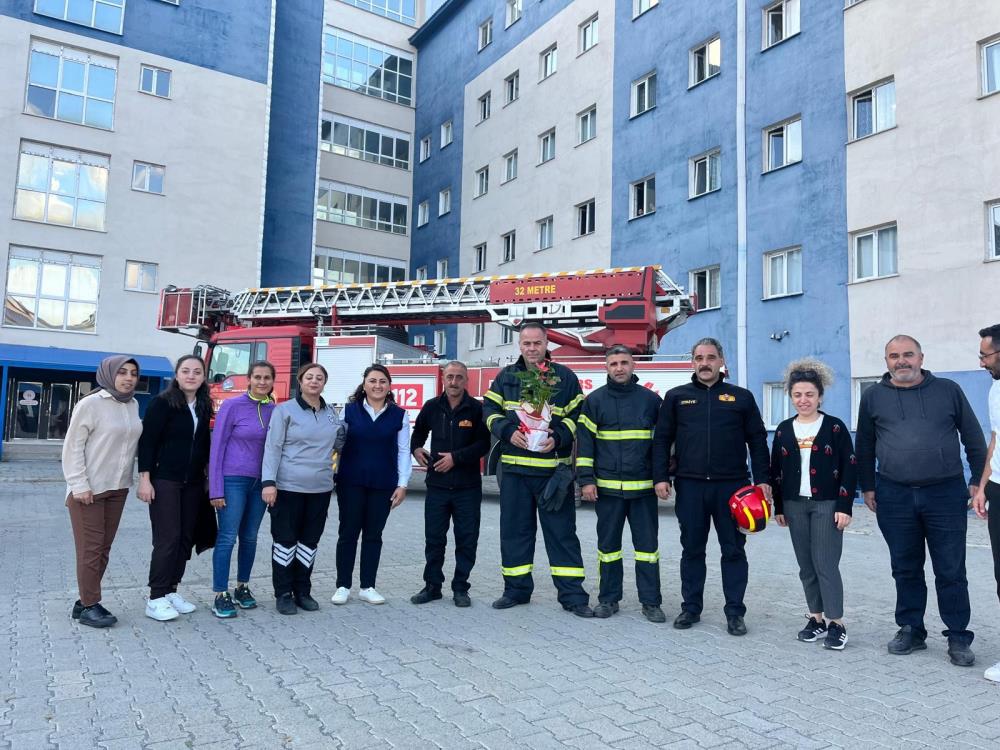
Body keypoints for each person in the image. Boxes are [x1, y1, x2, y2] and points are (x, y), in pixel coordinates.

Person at [857, 334, 986, 667]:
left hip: (944, 493)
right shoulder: (872, 397)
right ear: (886, 361)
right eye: (894, 356)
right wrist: (867, 487)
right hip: (894, 495)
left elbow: (972, 435)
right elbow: (866, 446)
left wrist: (976, 479)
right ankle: (911, 629)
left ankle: (958, 636)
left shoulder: (948, 391)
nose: (902, 361)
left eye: (908, 354)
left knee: (951, 569)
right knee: (905, 568)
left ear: (921, 357)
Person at [652, 337, 770, 636]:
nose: (704, 363)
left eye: (711, 357)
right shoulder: (677, 397)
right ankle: (691, 608)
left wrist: (764, 480)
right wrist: (660, 477)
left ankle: (735, 613)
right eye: (699, 358)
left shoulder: (741, 398)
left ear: (721, 361)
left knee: (733, 551)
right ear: (692, 362)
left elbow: (757, 441)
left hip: (733, 489)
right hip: (690, 487)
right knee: (692, 550)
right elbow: (662, 440)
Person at [483, 322, 594, 617]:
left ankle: (573, 596)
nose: (532, 348)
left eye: (537, 343)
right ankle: (516, 590)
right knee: (515, 533)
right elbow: (489, 410)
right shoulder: (506, 377)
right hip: (516, 472)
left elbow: (578, 416)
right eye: (526, 343)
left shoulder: (566, 378)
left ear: (547, 344)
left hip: (552, 473)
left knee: (562, 535)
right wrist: (507, 431)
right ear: (519, 346)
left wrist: (558, 437)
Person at [769, 359, 857, 650]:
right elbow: (776, 471)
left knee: (826, 565)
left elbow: (849, 467)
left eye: (809, 394)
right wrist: (779, 507)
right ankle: (816, 619)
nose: (803, 400)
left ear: (820, 396)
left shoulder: (834, 428)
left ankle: (837, 623)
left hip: (827, 504)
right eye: (797, 395)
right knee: (806, 566)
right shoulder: (783, 430)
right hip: (795, 505)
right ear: (790, 397)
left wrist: (845, 506)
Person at [576, 345, 665, 622]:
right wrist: (586, 482)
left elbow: (661, 445)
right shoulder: (594, 401)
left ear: (633, 365)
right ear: (606, 367)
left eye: (624, 362)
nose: (619, 368)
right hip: (607, 490)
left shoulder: (651, 401)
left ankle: (651, 602)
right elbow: (585, 446)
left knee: (648, 550)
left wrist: (662, 478)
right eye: (613, 363)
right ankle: (608, 599)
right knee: (609, 549)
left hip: (643, 491)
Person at [62, 355, 143, 628]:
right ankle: (90, 605)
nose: (129, 378)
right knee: (90, 550)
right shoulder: (91, 404)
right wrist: (79, 485)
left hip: (118, 488)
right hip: (90, 490)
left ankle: (84, 601)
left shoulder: (133, 404)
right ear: (109, 374)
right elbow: (72, 447)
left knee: (103, 550)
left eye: (133, 373)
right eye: (122, 372)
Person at [262, 362, 346, 615]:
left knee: (309, 542)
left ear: (324, 383)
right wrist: (269, 482)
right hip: (287, 487)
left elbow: (339, 443)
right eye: (309, 377)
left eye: (319, 378)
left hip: (319, 489)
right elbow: (272, 447)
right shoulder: (284, 410)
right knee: (285, 541)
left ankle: (303, 591)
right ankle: (284, 593)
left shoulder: (331, 412)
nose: (314, 381)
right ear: (300, 381)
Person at [138, 355, 213, 622]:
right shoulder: (162, 403)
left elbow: (203, 443)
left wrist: (206, 476)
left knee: (184, 538)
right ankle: (156, 597)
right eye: (185, 371)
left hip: (192, 482)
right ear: (177, 375)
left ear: (204, 376)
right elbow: (147, 442)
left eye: (196, 371)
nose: (191, 375)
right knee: (167, 538)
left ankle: (171, 590)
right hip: (165, 480)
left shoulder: (204, 405)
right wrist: (145, 478)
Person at [410, 361, 491, 607]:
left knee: (466, 539)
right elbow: (418, 434)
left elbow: (483, 445)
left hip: (467, 487)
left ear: (466, 381)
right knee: (434, 539)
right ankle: (432, 587)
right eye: (450, 377)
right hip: (437, 486)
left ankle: (460, 588)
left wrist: (456, 458)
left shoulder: (477, 409)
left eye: (459, 377)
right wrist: (416, 450)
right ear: (443, 379)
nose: (454, 382)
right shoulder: (432, 407)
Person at [332, 364, 411, 606]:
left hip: (383, 484)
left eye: (382, 382)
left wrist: (403, 484)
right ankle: (343, 586)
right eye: (373, 381)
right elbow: (336, 445)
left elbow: (403, 451)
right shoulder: (348, 412)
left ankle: (367, 586)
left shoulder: (399, 415)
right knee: (348, 533)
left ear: (389, 387)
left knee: (373, 535)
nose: (378, 385)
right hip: (350, 482)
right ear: (364, 384)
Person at [207, 361, 277, 618]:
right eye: (257, 377)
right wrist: (216, 489)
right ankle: (219, 593)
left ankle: (242, 587)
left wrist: (273, 483)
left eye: (267, 378)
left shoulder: (273, 410)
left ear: (272, 381)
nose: (262, 381)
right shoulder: (232, 406)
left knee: (250, 537)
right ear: (249, 379)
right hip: (232, 480)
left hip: (260, 483)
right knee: (227, 536)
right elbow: (217, 447)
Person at [974, 323, 1000, 681]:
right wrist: (982, 486)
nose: (981, 363)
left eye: (985, 355)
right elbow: (996, 438)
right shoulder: (996, 388)